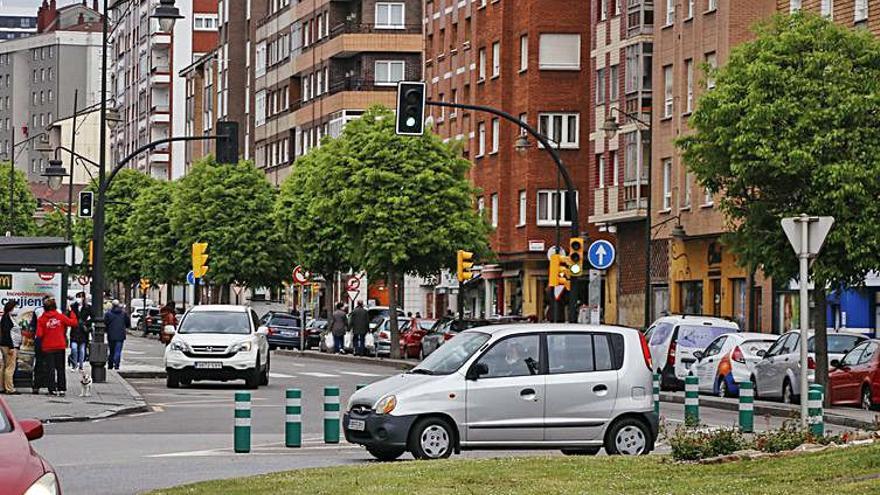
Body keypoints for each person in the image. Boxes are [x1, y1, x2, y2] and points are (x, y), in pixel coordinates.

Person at [36, 298, 78, 396]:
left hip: (47, 347)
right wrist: (71, 312)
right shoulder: (60, 317)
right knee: (60, 368)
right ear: (55, 307)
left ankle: (52, 389)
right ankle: (62, 389)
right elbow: (73, 323)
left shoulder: (42, 319)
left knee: (50, 369)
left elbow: (39, 334)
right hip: (59, 346)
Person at [30, 295, 50, 394]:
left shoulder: (57, 312)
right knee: (40, 363)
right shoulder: (38, 311)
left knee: (49, 364)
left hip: (48, 341)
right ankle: (37, 385)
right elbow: (33, 325)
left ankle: (47, 385)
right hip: (41, 340)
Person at [104, 300, 130, 370]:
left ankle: (110, 364)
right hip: (120, 335)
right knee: (118, 351)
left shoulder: (108, 314)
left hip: (111, 335)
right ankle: (116, 364)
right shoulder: (123, 314)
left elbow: (105, 324)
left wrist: (107, 330)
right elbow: (128, 323)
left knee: (112, 351)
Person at [69, 292, 90, 370]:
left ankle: (81, 365)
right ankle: (74, 364)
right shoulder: (72, 307)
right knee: (74, 348)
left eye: (81, 297)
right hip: (74, 330)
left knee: (82, 350)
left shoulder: (88, 307)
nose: (79, 298)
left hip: (83, 331)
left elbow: (92, 318)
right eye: (78, 297)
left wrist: (86, 323)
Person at [1, 301, 19, 394]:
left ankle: (3, 387)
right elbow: (7, 333)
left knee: (5, 366)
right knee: (10, 367)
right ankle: (9, 389)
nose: (17, 308)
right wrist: (11, 347)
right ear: (11, 307)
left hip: (8, 345)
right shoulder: (7, 318)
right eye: (15, 306)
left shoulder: (8, 317)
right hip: (9, 346)